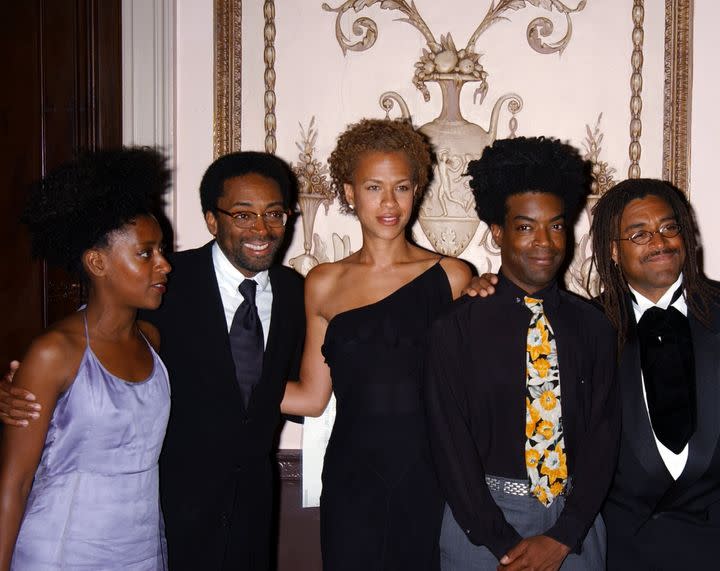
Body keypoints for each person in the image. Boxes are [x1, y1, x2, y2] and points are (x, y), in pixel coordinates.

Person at [0, 151, 306, 570]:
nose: (261, 229)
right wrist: (12, 390)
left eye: (274, 214)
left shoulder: (294, 294)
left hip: (242, 524)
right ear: (212, 220)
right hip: (163, 521)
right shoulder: (163, 286)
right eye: (243, 214)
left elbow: (296, 391)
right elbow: (84, 356)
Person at [281, 118, 472, 570]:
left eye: (402, 187)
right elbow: (311, 397)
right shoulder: (323, 283)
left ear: (417, 189)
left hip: (433, 476)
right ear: (349, 192)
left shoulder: (453, 276)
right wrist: (232, 377)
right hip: (352, 478)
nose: (389, 203)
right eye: (373, 187)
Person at [424, 136, 620, 570]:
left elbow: (604, 438)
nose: (544, 241)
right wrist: (500, 541)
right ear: (498, 233)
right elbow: (449, 445)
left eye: (555, 224)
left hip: (575, 525)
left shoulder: (593, 326)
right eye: (526, 226)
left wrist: (563, 536)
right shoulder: (455, 327)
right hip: (480, 525)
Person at [0, 148, 172, 570]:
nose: (165, 265)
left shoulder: (152, 340)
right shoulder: (54, 352)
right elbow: (15, 482)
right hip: (62, 550)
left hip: (142, 549)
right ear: (97, 262)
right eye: (146, 253)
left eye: (161, 250)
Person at [589, 178, 720, 569]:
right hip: (624, 552)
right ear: (613, 251)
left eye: (668, 228)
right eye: (639, 234)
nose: (660, 243)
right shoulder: (586, 328)